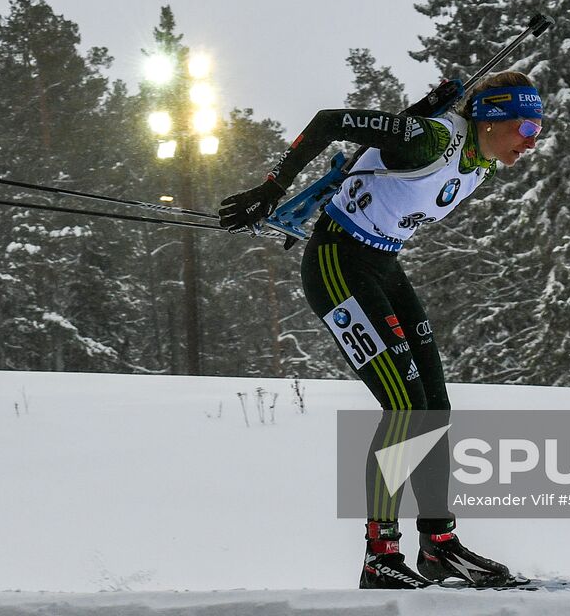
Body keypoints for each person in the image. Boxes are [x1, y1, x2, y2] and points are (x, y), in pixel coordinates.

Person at [219, 71, 544, 590]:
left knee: (433, 407)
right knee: (406, 409)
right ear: (491, 118)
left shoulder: (476, 156)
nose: (532, 141)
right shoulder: (435, 140)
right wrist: (269, 190)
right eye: (526, 127)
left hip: (382, 262)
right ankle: (380, 556)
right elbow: (330, 123)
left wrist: (418, 109)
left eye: (538, 131)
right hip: (337, 262)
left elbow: (382, 161)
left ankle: (439, 546)